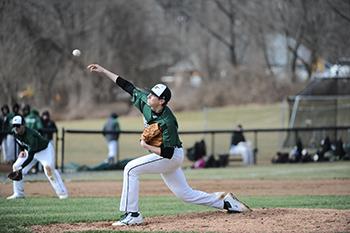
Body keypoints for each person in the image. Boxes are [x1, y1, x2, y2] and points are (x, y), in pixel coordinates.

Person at [87, 64, 251, 226]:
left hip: (171, 155)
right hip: (167, 156)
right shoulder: (146, 101)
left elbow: (168, 153)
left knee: (130, 169)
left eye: (154, 95)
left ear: (162, 101)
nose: (149, 96)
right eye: (150, 93)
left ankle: (133, 214)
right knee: (185, 194)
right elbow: (127, 85)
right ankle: (226, 202)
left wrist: (146, 146)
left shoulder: (168, 122)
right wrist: (103, 71)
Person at [6, 115, 68, 200]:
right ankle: (18, 193)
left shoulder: (31, 136)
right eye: (14, 126)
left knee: (49, 169)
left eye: (18, 126)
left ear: (23, 125)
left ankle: (63, 194)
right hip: (30, 150)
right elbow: (20, 142)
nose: (16, 128)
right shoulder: (15, 132)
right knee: (16, 166)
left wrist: (22, 167)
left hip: (44, 151)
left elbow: (31, 156)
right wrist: (22, 150)